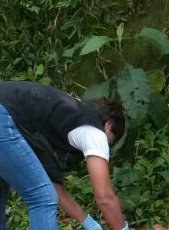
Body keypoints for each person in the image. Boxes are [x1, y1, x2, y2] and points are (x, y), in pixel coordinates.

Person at [0, 81, 130, 230]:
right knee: (43, 198)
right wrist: (123, 228)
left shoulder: (60, 122)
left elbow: (51, 183)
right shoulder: (94, 131)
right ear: (108, 125)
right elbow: (104, 197)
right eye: (108, 143)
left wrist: (88, 223)